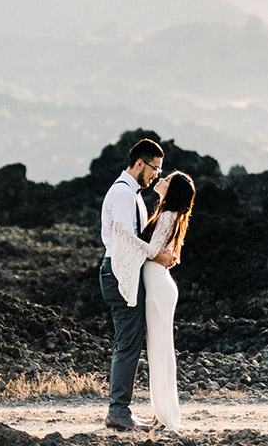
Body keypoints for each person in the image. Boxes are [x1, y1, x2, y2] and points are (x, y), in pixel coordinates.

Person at [111, 170, 196, 434]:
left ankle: (165, 417)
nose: (161, 180)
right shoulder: (167, 214)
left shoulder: (169, 215)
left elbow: (152, 251)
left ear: (173, 191)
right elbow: (160, 252)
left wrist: (122, 234)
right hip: (160, 285)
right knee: (160, 352)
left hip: (159, 287)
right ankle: (164, 415)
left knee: (159, 353)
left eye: (167, 180)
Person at [99, 138, 170, 432]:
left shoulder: (134, 195)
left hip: (125, 272)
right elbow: (127, 241)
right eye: (154, 167)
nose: (156, 174)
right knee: (128, 343)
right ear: (139, 163)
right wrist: (157, 253)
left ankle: (120, 410)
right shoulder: (122, 194)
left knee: (130, 341)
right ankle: (118, 412)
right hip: (119, 273)